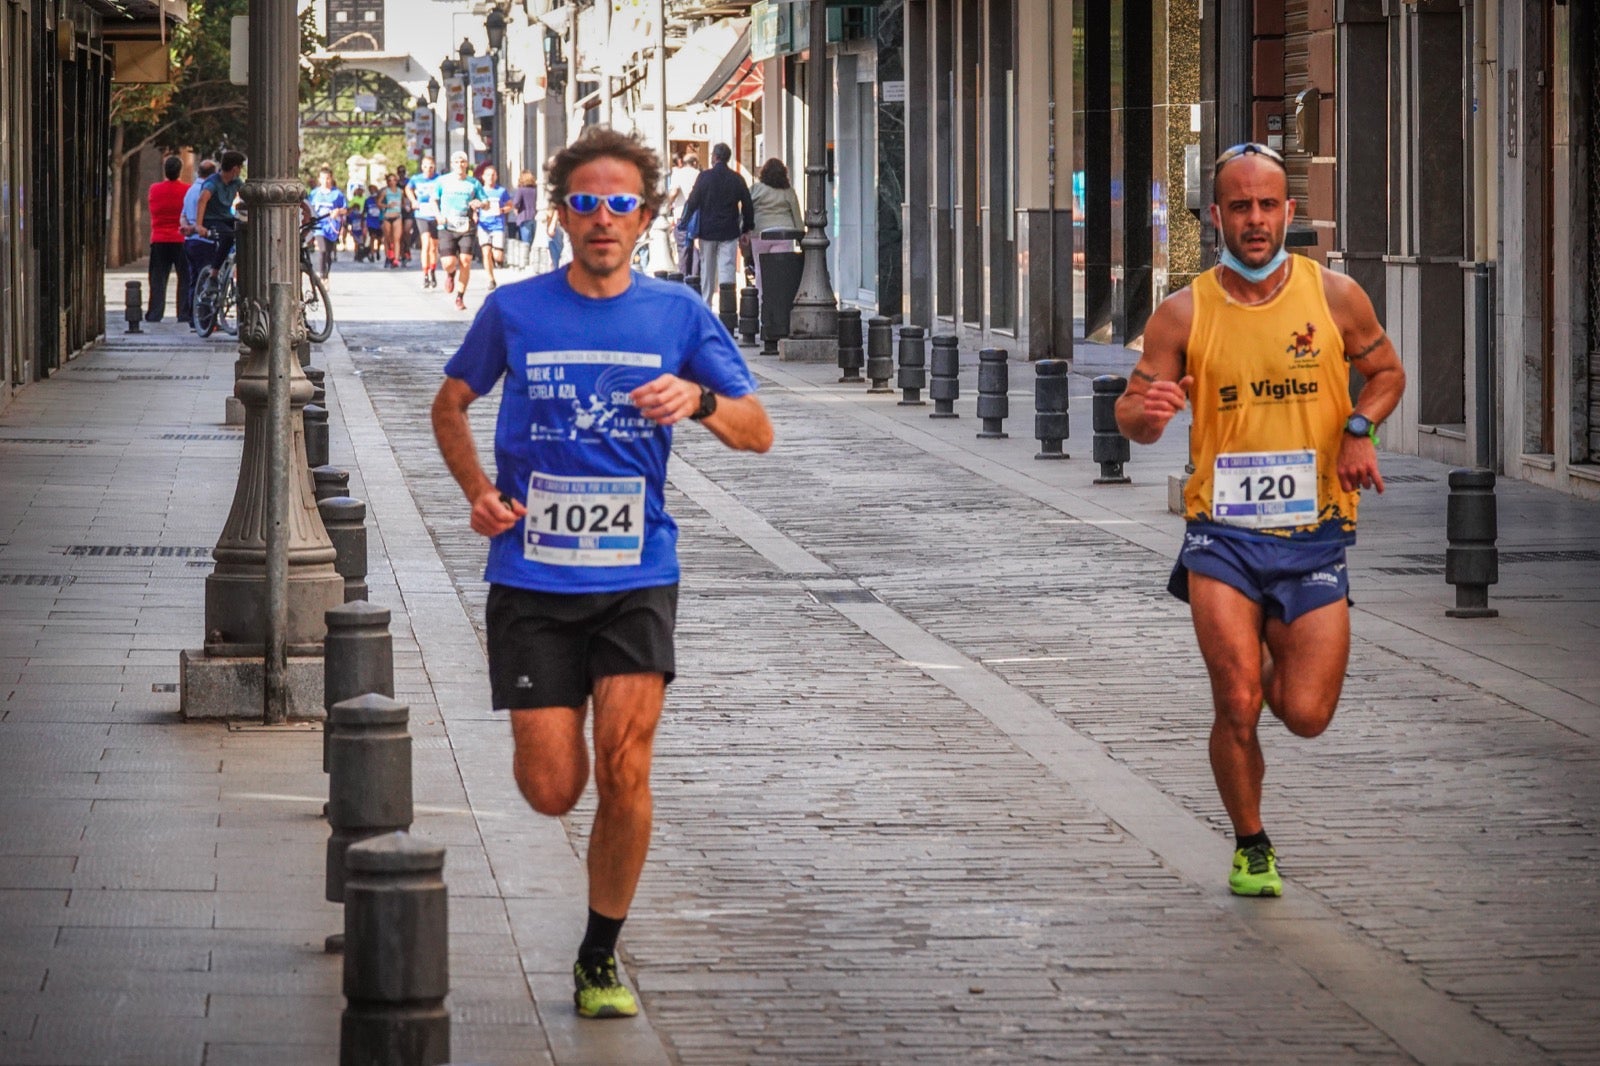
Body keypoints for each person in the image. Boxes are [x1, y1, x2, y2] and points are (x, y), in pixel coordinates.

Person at [429, 126, 773, 1021]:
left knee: (627, 764)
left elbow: (756, 429)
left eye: (621, 203)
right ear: (562, 214)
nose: (603, 219)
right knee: (554, 789)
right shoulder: (514, 309)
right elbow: (450, 403)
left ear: (647, 215)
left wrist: (697, 401)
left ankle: (597, 954)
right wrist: (476, 491)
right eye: (585, 202)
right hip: (533, 580)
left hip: (636, 574)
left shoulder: (677, 315)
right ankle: (559, 737)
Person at [1113, 142, 1406, 898]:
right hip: (1223, 536)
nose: (1254, 219)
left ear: (1288, 212)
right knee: (1237, 699)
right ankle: (1251, 845)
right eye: (1238, 205)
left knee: (1304, 715)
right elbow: (1133, 413)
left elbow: (1386, 372)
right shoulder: (1182, 311)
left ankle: (1270, 649)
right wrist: (1144, 414)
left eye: (1267, 204)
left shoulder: (1335, 297)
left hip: (1315, 536)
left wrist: (1359, 429)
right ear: (1216, 215)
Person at [680, 143, 753, 305]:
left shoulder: (704, 177)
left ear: (714, 157)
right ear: (728, 158)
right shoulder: (736, 179)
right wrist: (746, 228)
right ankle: (728, 306)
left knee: (707, 271)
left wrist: (684, 223)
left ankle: (706, 304)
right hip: (729, 231)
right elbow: (748, 204)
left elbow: (692, 202)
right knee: (727, 268)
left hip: (707, 232)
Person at [434, 151, 488, 311]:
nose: (460, 164)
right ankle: (450, 274)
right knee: (448, 263)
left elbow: (486, 202)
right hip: (447, 226)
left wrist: (480, 204)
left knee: (465, 261)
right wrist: (438, 215)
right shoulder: (442, 181)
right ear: (452, 164)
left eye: (463, 161)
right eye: (457, 162)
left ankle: (460, 297)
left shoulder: (473, 183)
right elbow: (433, 200)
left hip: (466, 225)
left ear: (467, 164)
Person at [747, 158, 803, 297]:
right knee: (780, 270)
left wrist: (744, 229)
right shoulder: (788, 191)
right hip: (783, 234)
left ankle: (761, 303)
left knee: (760, 270)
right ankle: (778, 300)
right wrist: (801, 236)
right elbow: (796, 214)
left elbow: (747, 210)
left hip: (760, 233)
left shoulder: (756, 189)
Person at [145, 155, 190, 323]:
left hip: (159, 238)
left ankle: (155, 313)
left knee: (157, 278)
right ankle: (184, 313)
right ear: (180, 171)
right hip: (181, 239)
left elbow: (153, 208)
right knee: (185, 277)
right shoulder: (186, 190)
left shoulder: (154, 189)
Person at [179, 158, 218, 330]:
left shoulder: (190, 190)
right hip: (205, 240)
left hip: (190, 241)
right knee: (207, 279)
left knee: (194, 279)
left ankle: (193, 317)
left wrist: (187, 227)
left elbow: (182, 216)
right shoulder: (207, 190)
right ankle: (204, 319)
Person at [194, 150, 245, 271]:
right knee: (228, 237)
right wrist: (199, 226)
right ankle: (214, 273)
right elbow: (202, 200)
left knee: (245, 230)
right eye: (240, 167)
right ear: (235, 168)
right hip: (212, 219)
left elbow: (246, 195)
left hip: (227, 218)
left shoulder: (236, 182)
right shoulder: (213, 182)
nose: (241, 170)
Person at [306, 165, 347, 281]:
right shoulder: (314, 194)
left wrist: (338, 211)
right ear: (319, 179)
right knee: (322, 250)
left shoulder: (337, 194)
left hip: (332, 226)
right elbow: (308, 207)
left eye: (328, 178)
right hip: (319, 226)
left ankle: (326, 274)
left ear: (331, 178)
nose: (326, 181)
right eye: (323, 178)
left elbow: (345, 209)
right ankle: (321, 276)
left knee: (328, 253)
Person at [476, 164, 514, 291]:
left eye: (493, 175)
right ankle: (491, 279)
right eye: (488, 175)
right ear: (483, 177)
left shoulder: (501, 191)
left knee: (497, 255)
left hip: (497, 225)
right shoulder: (479, 191)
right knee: (485, 252)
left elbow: (510, 205)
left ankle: (497, 260)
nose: (490, 177)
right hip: (483, 225)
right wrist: (474, 214)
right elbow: (473, 205)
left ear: (496, 177)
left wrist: (502, 210)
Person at [407, 157, 442, 288]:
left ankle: (433, 271)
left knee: (433, 247)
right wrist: (413, 200)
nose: (429, 170)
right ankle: (425, 274)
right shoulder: (416, 179)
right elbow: (408, 188)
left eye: (431, 167)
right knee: (426, 243)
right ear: (422, 167)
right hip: (422, 214)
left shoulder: (439, 179)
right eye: (426, 167)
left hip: (435, 214)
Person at [667, 150, 700, 276]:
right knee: (697, 252)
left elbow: (674, 192)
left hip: (683, 218)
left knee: (684, 252)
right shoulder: (699, 174)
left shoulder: (678, 174)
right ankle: (695, 281)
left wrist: (668, 205)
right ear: (695, 163)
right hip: (697, 219)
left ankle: (685, 280)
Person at [512, 169, 542, 265]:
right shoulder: (535, 190)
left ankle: (526, 262)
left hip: (524, 217)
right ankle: (534, 261)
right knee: (533, 240)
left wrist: (516, 210)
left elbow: (516, 203)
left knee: (525, 242)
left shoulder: (521, 190)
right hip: (535, 217)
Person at [379, 174, 406, 268]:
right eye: (390, 180)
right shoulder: (385, 192)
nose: (392, 182)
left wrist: (403, 207)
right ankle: (388, 256)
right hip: (387, 216)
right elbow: (378, 203)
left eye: (394, 180)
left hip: (397, 216)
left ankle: (396, 259)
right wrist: (387, 206)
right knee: (387, 238)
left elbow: (403, 202)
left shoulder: (400, 191)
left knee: (397, 239)